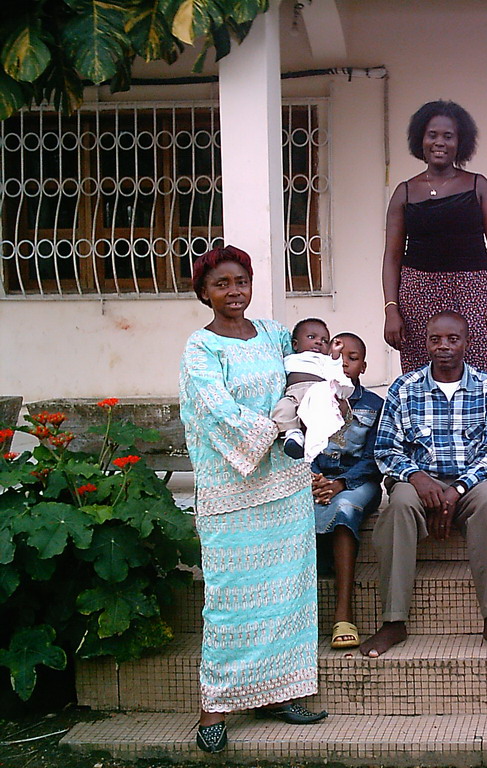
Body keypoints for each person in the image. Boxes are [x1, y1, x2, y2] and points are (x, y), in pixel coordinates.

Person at [178, 245, 327, 754]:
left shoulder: (272, 333)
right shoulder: (200, 350)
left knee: (287, 597)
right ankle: (213, 709)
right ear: (204, 292)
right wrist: (277, 426)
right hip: (231, 494)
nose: (234, 291)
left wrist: (313, 404)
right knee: (229, 605)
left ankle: (279, 693)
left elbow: (307, 373)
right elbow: (217, 413)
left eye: (240, 281)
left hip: (285, 489)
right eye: (222, 284)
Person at [362, 311, 487, 658]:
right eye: (435, 339)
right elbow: (386, 448)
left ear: (467, 343)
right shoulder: (404, 389)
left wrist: (457, 490)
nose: (444, 347)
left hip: (472, 481)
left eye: (453, 339)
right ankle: (393, 621)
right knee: (399, 507)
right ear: (426, 343)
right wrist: (417, 477)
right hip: (418, 480)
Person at [382, 100, 487, 375]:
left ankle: (475, 420)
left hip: (474, 291)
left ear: (460, 142)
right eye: (432, 135)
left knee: (477, 371)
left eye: (448, 136)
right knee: (419, 374)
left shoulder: (478, 186)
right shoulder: (404, 192)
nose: (439, 142)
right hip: (417, 294)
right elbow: (392, 257)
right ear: (420, 140)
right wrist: (391, 309)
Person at [310, 332, 384, 650]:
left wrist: (341, 483)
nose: (344, 363)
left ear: (363, 366)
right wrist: (311, 477)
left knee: (344, 508)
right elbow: (301, 446)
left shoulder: (374, 405)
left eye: (352, 358)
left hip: (358, 482)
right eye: (338, 356)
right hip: (315, 482)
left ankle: (343, 612)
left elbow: (376, 458)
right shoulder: (311, 399)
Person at [271, 318, 354, 460]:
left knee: (321, 418)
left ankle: (316, 445)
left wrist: (334, 355)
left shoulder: (325, 361)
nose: (318, 342)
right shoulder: (288, 359)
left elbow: (336, 374)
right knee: (283, 408)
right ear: (295, 344)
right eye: (311, 337)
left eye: (324, 340)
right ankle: (293, 434)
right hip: (294, 393)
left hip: (318, 394)